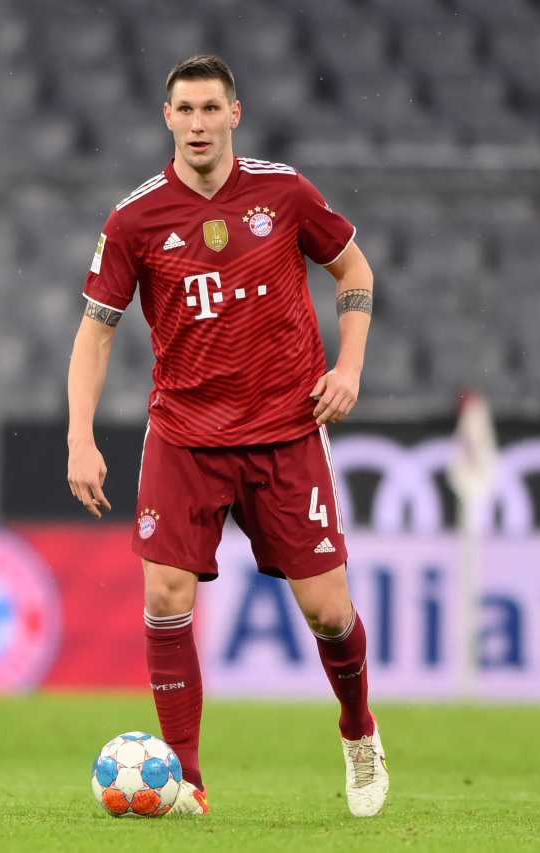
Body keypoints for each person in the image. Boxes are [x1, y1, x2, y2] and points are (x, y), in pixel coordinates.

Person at [65, 55, 387, 817]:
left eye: (212, 108)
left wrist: (349, 367)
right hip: (185, 434)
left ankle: (359, 730)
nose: (199, 123)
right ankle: (187, 781)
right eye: (186, 110)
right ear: (167, 118)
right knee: (165, 595)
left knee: (328, 612)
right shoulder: (135, 219)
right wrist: (81, 436)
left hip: (286, 431)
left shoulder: (285, 192)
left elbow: (355, 272)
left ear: (235, 114)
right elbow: (95, 332)